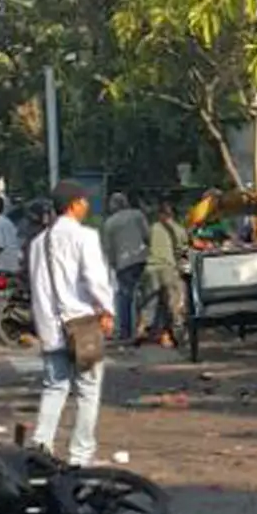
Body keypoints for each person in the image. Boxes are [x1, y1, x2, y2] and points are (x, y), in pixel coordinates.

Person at [27, 180, 115, 465]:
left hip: (51, 327)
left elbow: (37, 286)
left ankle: (40, 449)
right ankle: (80, 456)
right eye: (84, 201)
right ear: (75, 204)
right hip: (83, 324)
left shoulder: (39, 243)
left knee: (55, 387)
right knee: (88, 391)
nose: (87, 206)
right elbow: (95, 280)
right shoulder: (85, 237)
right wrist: (107, 310)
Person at [135, 197, 188, 346]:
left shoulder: (153, 228)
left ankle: (142, 328)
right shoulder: (179, 230)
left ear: (160, 214)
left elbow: (146, 242)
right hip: (168, 269)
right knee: (173, 304)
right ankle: (175, 335)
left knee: (149, 303)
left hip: (151, 268)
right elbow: (183, 250)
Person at [101, 191, 151, 346]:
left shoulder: (109, 223)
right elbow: (147, 236)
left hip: (123, 263)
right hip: (141, 259)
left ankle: (125, 331)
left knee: (124, 296)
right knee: (143, 295)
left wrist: (113, 264)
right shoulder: (138, 215)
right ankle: (143, 328)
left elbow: (108, 248)